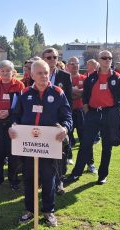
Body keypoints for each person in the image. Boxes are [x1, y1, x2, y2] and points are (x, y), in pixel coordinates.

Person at [9, 59, 72, 227]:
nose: (44, 76)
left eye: (46, 72)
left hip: (49, 145)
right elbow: (15, 115)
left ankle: (48, 211)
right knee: (29, 178)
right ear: (31, 75)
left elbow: (67, 117)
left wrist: (65, 129)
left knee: (48, 178)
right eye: (40, 73)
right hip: (28, 145)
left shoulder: (58, 92)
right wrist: (13, 126)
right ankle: (30, 209)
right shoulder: (24, 93)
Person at [66, 50, 120, 185]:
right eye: (104, 58)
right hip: (93, 114)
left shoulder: (117, 78)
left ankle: (102, 175)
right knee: (85, 145)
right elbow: (86, 96)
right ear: (99, 60)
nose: (107, 60)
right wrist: (87, 109)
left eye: (109, 58)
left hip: (109, 114)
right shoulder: (91, 77)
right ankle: (76, 173)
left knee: (107, 146)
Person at [0, 60, 25, 190]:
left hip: (12, 124)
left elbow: (22, 106)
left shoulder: (19, 85)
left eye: (8, 70)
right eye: (2, 71)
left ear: (13, 72)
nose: (5, 73)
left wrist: (9, 112)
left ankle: (14, 181)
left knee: (13, 154)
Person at [42, 47, 72, 194]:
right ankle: (45, 180)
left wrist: (66, 123)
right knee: (44, 153)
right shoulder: (37, 75)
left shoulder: (65, 76)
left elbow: (69, 102)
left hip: (59, 123)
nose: (52, 60)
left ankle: (60, 181)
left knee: (61, 154)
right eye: (49, 57)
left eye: (54, 57)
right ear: (43, 59)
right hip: (42, 122)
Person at [67, 57, 96, 173]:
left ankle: (90, 163)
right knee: (67, 136)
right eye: (72, 63)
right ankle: (68, 157)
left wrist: (74, 92)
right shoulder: (64, 78)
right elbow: (66, 94)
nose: (74, 66)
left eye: (77, 63)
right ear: (67, 65)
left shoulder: (85, 78)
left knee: (85, 138)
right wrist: (78, 92)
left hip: (81, 111)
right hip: (68, 111)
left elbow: (86, 93)